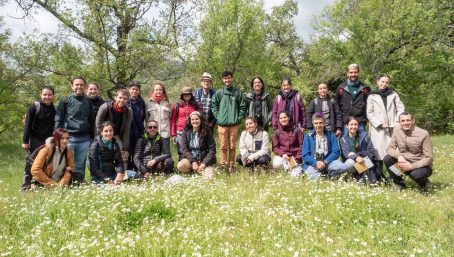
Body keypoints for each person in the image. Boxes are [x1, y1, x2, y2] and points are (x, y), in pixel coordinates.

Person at [55, 76, 93, 184]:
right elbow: (59, 118)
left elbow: (92, 120)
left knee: (80, 164)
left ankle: (78, 183)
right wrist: (57, 135)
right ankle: (64, 183)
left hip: (84, 139)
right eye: (76, 84)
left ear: (85, 87)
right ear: (72, 86)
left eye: (81, 84)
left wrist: (92, 136)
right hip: (69, 138)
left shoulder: (88, 101)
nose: (79, 87)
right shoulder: (66, 100)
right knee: (65, 163)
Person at [384, 112, 433, 192]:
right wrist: (399, 156)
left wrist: (412, 166)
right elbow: (390, 149)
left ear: (413, 121)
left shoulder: (424, 134)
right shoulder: (396, 130)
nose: (405, 123)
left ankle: (425, 183)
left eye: (408, 120)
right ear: (399, 122)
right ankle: (399, 184)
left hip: (421, 166)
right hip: (404, 162)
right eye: (403, 121)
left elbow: (429, 158)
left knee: (416, 175)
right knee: (387, 159)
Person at [367, 74, 405, 176]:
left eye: (386, 82)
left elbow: (400, 108)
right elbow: (369, 113)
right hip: (378, 129)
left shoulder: (393, 94)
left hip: (393, 127)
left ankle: (397, 177)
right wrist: (379, 124)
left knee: (394, 153)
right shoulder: (372, 95)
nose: (384, 84)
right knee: (378, 154)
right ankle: (380, 177)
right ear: (377, 82)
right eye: (382, 81)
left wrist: (398, 121)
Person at [21, 86, 57, 190]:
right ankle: (25, 187)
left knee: (46, 164)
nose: (47, 97)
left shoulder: (55, 109)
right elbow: (27, 124)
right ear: (40, 95)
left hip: (49, 141)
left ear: (53, 96)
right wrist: (25, 141)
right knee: (31, 163)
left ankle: (39, 186)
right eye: (45, 94)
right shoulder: (34, 107)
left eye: (49, 94)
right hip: (35, 140)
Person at [211, 71, 246, 172]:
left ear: (232, 78)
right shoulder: (219, 92)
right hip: (222, 125)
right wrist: (218, 117)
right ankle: (223, 165)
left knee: (232, 146)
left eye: (229, 78)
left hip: (234, 124)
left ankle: (231, 166)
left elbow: (242, 107)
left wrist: (238, 118)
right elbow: (213, 106)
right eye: (225, 78)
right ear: (223, 80)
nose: (227, 80)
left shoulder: (237, 92)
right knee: (223, 146)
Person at [302, 113, 348, 179]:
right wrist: (316, 163)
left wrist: (325, 162)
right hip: (313, 164)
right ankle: (324, 176)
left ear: (324, 123)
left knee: (344, 167)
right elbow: (305, 155)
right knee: (316, 178)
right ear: (313, 124)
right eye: (316, 123)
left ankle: (328, 174)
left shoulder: (331, 135)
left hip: (327, 162)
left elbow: (336, 152)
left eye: (320, 123)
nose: (318, 125)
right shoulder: (308, 136)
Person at [95, 88, 133, 165]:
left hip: (116, 135)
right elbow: (98, 124)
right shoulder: (105, 107)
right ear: (115, 97)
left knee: (123, 153)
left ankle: (122, 173)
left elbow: (127, 129)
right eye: (120, 97)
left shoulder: (128, 111)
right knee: (101, 153)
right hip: (104, 133)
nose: (122, 100)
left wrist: (125, 147)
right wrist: (98, 139)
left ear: (127, 100)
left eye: (125, 99)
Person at [340, 116, 381, 184]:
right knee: (350, 162)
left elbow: (371, 150)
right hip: (351, 162)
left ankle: (367, 180)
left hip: (364, 160)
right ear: (347, 126)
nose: (354, 127)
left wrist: (358, 155)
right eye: (351, 124)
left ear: (358, 125)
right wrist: (356, 158)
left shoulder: (364, 135)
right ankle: (351, 177)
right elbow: (346, 154)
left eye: (355, 124)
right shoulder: (343, 139)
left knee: (367, 160)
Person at [176, 111, 216, 178]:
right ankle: (193, 169)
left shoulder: (207, 131)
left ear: (200, 120)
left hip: (204, 159)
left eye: (197, 119)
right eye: (193, 119)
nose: (195, 121)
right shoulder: (186, 131)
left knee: (209, 176)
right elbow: (184, 149)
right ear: (190, 121)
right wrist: (193, 162)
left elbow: (212, 150)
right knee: (180, 165)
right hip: (191, 159)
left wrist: (204, 163)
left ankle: (201, 169)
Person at [336, 64, 370, 132]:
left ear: (358, 73)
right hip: (346, 123)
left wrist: (367, 120)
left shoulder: (365, 88)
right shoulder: (341, 88)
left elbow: (369, 105)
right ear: (347, 73)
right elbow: (337, 107)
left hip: (360, 122)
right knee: (346, 142)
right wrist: (338, 125)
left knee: (362, 142)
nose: (353, 74)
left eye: (355, 72)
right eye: (351, 72)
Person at [170, 86, 198, 158]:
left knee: (191, 149)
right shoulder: (177, 105)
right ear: (182, 95)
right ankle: (182, 166)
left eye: (188, 94)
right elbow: (172, 120)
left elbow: (199, 118)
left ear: (191, 95)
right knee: (181, 150)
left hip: (192, 130)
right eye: (185, 94)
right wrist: (173, 134)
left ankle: (191, 164)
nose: (186, 95)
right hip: (180, 131)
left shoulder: (195, 105)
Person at [146, 83, 172, 156]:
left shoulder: (167, 103)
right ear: (153, 91)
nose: (158, 91)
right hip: (153, 133)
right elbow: (146, 119)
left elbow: (170, 117)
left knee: (166, 154)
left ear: (163, 91)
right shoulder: (149, 103)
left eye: (160, 90)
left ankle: (167, 167)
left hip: (165, 133)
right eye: (156, 90)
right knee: (154, 154)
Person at [126, 81, 147, 170]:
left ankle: (137, 170)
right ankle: (128, 170)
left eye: (136, 89)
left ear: (139, 91)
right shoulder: (126, 101)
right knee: (127, 151)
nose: (134, 91)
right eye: (133, 89)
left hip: (138, 131)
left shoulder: (141, 102)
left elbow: (144, 116)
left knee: (137, 151)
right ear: (129, 90)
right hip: (127, 131)